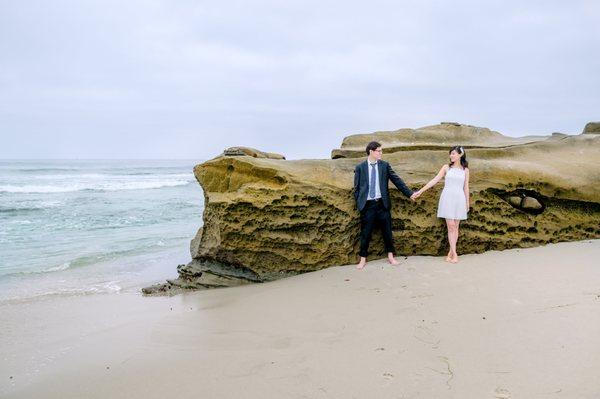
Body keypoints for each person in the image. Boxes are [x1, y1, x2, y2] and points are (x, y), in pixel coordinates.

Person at [353, 141, 415, 269]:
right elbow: (357, 188)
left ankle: (391, 257)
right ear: (371, 151)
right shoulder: (360, 167)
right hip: (367, 206)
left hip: (382, 204)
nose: (381, 153)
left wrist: (409, 194)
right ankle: (363, 259)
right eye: (379, 151)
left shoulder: (384, 166)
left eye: (381, 151)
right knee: (366, 233)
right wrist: (360, 204)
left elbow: (397, 180)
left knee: (387, 232)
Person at [411, 146, 470, 263]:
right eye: (450, 154)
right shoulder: (446, 167)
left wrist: (467, 202)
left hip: (459, 198)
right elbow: (435, 180)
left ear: (460, 155)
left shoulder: (465, 170)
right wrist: (420, 191)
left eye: (453, 153)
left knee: (456, 226)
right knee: (451, 226)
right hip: (447, 198)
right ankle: (455, 254)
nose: (451, 156)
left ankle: (450, 253)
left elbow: (466, 187)